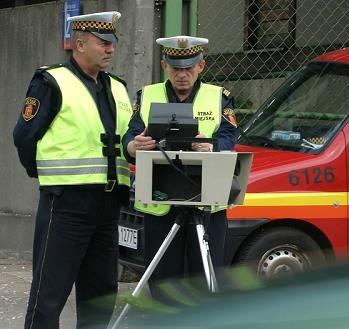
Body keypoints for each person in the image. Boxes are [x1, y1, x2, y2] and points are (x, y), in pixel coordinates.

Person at [12, 11, 133, 329]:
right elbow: (24, 136)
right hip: (66, 204)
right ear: (79, 44)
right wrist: (48, 179)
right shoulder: (51, 81)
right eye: (103, 43)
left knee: (100, 295)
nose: (110, 49)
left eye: (113, 43)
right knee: (48, 296)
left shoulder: (118, 88)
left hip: (108, 207)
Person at [122, 36, 237, 304]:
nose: (182, 74)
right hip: (160, 198)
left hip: (206, 199)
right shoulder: (147, 95)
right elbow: (129, 136)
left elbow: (230, 136)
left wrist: (212, 146)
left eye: (188, 67)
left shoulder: (219, 97)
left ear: (201, 66)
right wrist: (132, 146)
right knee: (163, 282)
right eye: (175, 68)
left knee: (206, 280)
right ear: (164, 66)